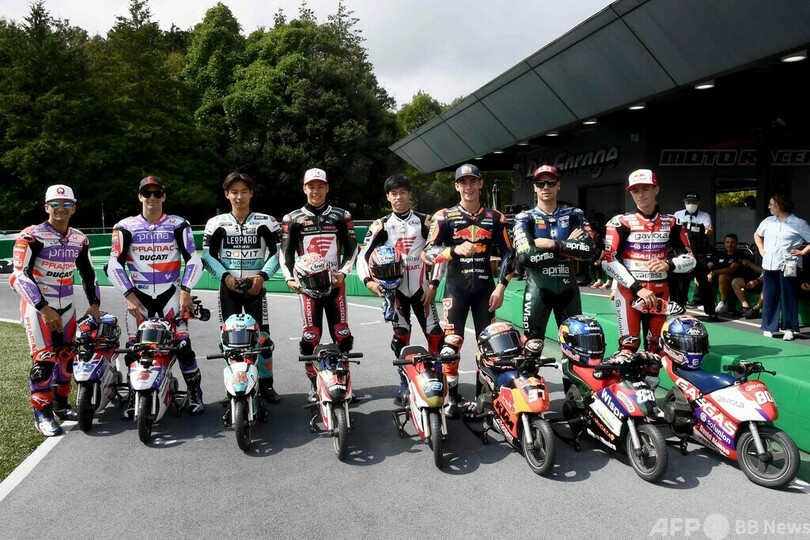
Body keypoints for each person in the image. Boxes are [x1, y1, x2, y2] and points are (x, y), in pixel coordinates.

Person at [107, 176, 205, 417]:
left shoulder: (178, 224)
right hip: (138, 298)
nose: (152, 198)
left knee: (183, 347)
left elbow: (193, 259)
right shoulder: (124, 226)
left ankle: (195, 392)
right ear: (140, 196)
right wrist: (129, 295)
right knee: (134, 349)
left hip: (170, 295)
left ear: (164, 196)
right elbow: (113, 264)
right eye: (147, 193)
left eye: (157, 193)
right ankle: (134, 394)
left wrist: (186, 291)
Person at [422, 163, 514, 416]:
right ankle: (451, 398)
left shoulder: (496, 217)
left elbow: (509, 253)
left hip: (486, 291)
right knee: (451, 345)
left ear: (480, 184)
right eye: (463, 182)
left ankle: (484, 397)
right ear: (456, 186)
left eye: (473, 181)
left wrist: (501, 287)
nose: (468, 187)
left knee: (489, 346)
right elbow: (427, 253)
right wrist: (453, 250)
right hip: (456, 290)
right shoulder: (444, 216)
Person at [10, 185, 102, 436]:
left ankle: (61, 405)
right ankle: (42, 413)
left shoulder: (79, 238)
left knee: (67, 358)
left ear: (74, 208)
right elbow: (20, 275)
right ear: (46, 207)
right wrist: (43, 308)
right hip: (38, 308)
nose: (61, 209)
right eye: (55, 204)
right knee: (44, 361)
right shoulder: (31, 236)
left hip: (68, 306)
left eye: (66, 204)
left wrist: (94, 304)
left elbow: (88, 272)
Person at [356, 174, 444, 406]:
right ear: (388, 197)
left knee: (436, 335)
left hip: (423, 289)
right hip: (395, 292)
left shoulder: (426, 221)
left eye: (402, 192)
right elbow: (363, 256)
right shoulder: (381, 224)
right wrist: (368, 282)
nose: (398, 197)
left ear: (409, 194)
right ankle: (405, 384)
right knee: (401, 336)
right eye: (394, 193)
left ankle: (437, 379)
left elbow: (438, 252)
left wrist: (434, 284)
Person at [202, 172, 282, 403]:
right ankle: (234, 386)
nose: (239, 197)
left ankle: (266, 384)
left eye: (244, 192)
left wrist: (262, 277)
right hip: (229, 289)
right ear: (227, 194)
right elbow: (207, 256)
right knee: (229, 339)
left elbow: (278, 253)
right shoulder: (215, 223)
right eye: (234, 192)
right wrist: (225, 277)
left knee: (263, 338)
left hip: (256, 287)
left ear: (251, 193)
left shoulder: (267, 221)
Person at [279, 167, 357, 401]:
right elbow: (285, 252)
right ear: (304, 188)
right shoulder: (292, 218)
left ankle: (343, 382)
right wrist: (289, 278)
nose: (316, 191)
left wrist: (343, 272)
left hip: (335, 284)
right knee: (311, 336)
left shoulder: (341, 216)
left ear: (327, 188)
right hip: (308, 287)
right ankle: (314, 383)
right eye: (311, 186)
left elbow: (352, 248)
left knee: (342, 334)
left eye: (320, 186)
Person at [602, 169, 695, 355]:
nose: (640, 195)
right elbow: (608, 261)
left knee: (656, 347)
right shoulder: (620, 222)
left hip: (660, 292)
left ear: (656, 190)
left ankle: (652, 375)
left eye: (645, 189)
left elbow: (690, 259)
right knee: (628, 346)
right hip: (629, 292)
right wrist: (637, 288)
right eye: (635, 191)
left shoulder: (673, 222)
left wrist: (669, 264)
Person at [512, 164, 593, 344]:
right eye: (540, 184)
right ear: (534, 187)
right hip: (538, 289)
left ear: (558, 185)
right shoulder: (524, 217)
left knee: (576, 344)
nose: (546, 187)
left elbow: (589, 250)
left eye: (551, 182)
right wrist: (567, 248)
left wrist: (553, 245)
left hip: (568, 289)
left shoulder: (574, 214)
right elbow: (525, 257)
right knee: (532, 344)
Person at [753, 193, 810, 340]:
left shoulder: (798, 223)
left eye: (772, 204)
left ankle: (789, 328)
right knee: (770, 296)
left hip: (788, 265)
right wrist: (761, 250)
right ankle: (769, 327)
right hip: (769, 265)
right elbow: (757, 235)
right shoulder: (767, 221)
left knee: (789, 296)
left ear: (781, 205)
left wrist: (803, 252)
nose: (769, 206)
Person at [672, 191, 717, 320]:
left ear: (698, 203)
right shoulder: (677, 215)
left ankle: (711, 310)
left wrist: (708, 230)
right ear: (684, 203)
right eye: (688, 202)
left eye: (693, 202)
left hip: (698, 252)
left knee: (704, 282)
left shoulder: (704, 216)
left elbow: (708, 229)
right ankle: (679, 308)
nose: (691, 204)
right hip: (683, 252)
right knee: (681, 282)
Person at [706, 233, 757, 316]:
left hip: (734, 278)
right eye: (727, 242)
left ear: (736, 243)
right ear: (724, 243)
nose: (729, 244)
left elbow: (732, 269)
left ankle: (723, 303)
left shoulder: (740, 254)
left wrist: (714, 272)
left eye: (732, 242)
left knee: (722, 276)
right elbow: (710, 265)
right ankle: (707, 302)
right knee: (703, 277)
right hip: (717, 277)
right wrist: (705, 273)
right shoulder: (720, 254)